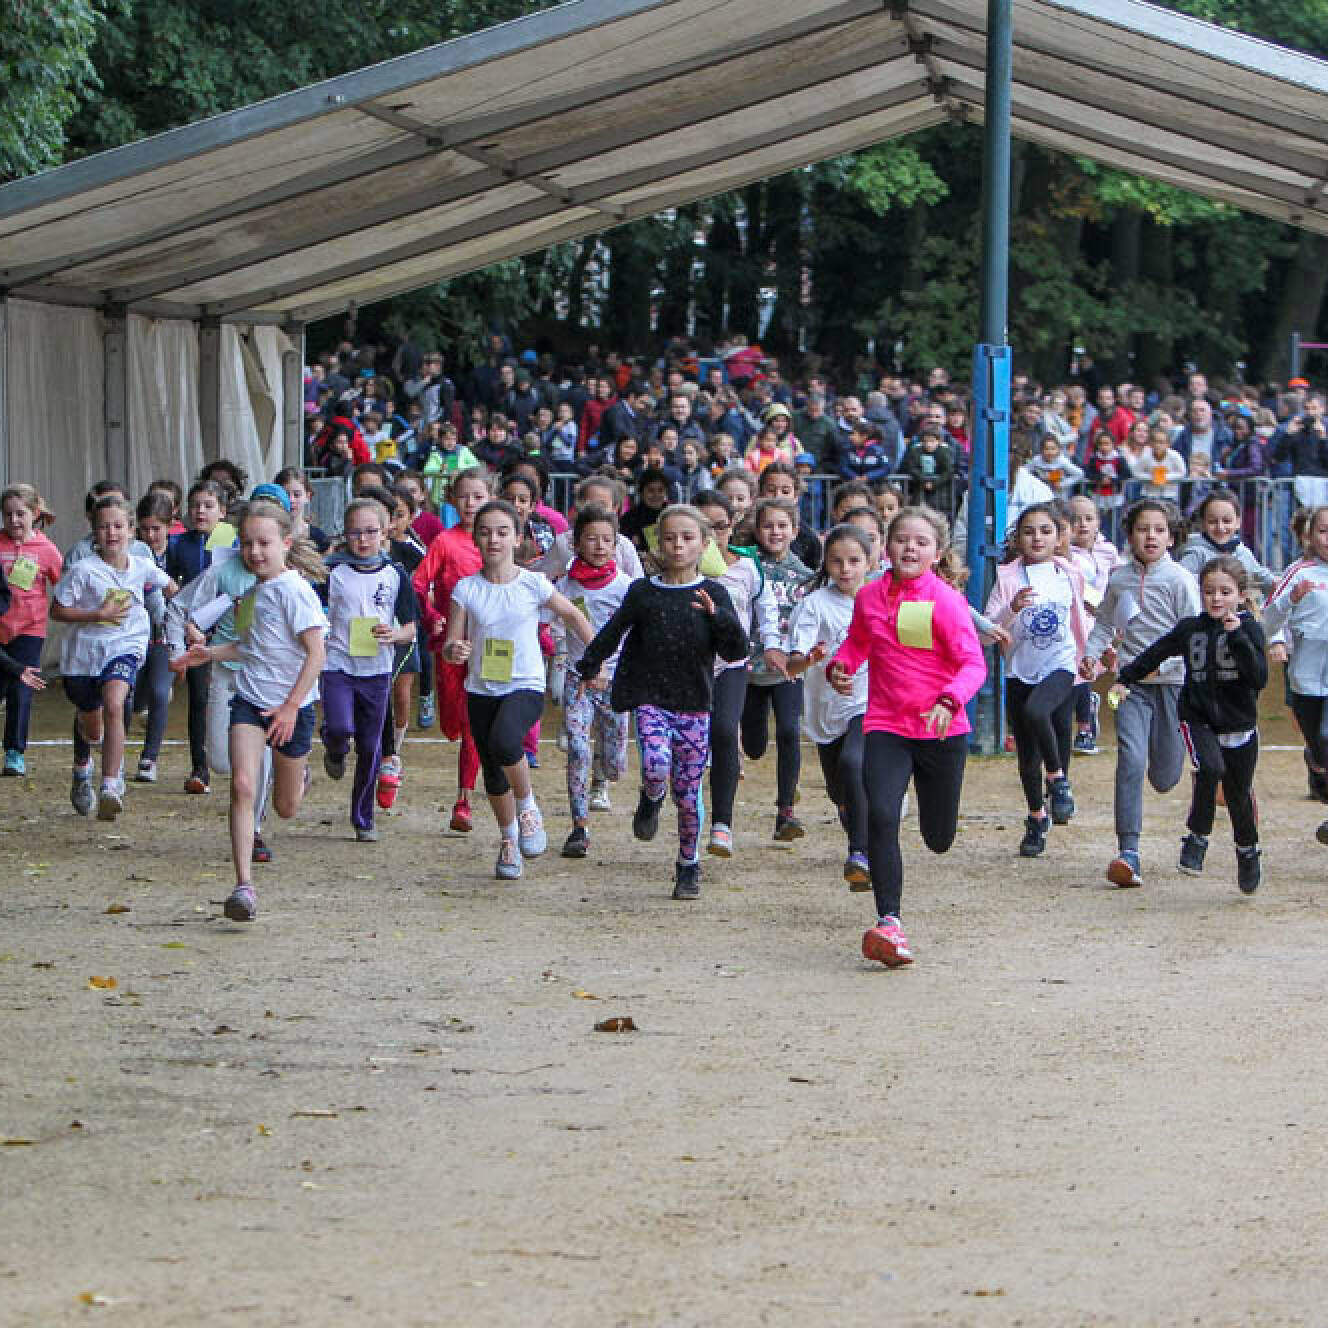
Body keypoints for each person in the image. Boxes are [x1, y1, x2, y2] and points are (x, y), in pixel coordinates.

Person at [829, 507, 986, 967]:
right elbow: (859, 641)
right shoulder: (870, 596)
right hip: (886, 724)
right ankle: (889, 922)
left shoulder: (947, 602)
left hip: (941, 730)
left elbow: (973, 664)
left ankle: (933, 834)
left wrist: (949, 701)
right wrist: (842, 665)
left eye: (921, 542)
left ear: (937, 553)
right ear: (886, 547)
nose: (910, 548)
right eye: (902, 539)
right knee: (880, 815)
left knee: (938, 838)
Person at [574, 504, 748, 899]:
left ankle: (688, 864)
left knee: (688, 794)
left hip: (695, 704)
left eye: (687, 538)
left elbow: (737, 649)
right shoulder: (644, 592)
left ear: (704, 544)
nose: (678, 545)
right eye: (669, 538)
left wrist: (718, 617)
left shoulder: (713, 593)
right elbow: (612, 631)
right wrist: (589, 666)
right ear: (658, 543)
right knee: (654, 765)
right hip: (651, 698)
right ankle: (651, 797)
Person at [171, 499, 328, 921]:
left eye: (264, 543)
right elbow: (250, 647)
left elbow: (317, 654)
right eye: (246, 543)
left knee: (286, 808)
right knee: (242, 785)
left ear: (285, 544)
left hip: (291, 709)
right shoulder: (253, 593)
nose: (254, 552)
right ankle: (244, 887)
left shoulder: (297, 592)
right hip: (249, 700)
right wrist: (208, 654)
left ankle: (300, 777)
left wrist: (291, 708)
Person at [442, 499, 592, 881]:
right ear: (476, 539)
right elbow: (451, 643)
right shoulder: (466, 589)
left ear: (517, 538)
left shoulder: (533, 584)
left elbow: (573, 615)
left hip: (524, 685)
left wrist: (597, 659)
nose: (493, 539)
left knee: (506, 742)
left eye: (502, 532)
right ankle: (509, 841)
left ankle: (528, 808)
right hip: (481, 689)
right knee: (492, 772)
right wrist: (455, 650)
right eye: (485, 532)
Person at [1119, 554, 1266, 893]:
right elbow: (1156, 652)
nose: (1217, 599)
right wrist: (1126, 677)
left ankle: (1247, 851)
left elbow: (1258, 678)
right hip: (1198, 718)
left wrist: (1238, 638)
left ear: (1241, 595)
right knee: (1210, 768)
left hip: (1239, 724)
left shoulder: (1250, 630)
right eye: (1209, 592)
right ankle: (1197, 837)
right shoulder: (1191, 629)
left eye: (1225, 592)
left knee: (1238, 796)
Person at [1080, 500, 1200, 889]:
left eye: (1159, 530)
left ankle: (1179, 769)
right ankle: (1128, 851)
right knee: (1130, 759)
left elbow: (1194, 636)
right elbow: (1104, 623)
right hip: (1128, 686)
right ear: (1129, 535)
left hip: (1174, 687)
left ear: (1171, 537)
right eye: (1143, 529)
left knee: (1165, 777)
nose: (1151, 536)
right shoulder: (1119, 579)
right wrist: (1091, 654)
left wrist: (1163, 667)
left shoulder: (1181, 580)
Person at [51, 495, 175, 821]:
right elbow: (57, 610)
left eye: (118, 526)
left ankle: (109, 785)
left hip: (125, 646)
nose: (112, 533)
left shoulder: (143, 566)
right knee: (92, 729)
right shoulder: (83, 570)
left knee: (116, 703)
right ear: (94, 531)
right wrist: (96, 615)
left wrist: (187, 621)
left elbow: (172, 589)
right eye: (104, 527)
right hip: (84, 656)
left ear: (131, 531)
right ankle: (82, 769)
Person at [984, 505, 1092, 857]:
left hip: (1061, 666)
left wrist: (1098, 651)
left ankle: (1058, 779)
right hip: (1020, 671)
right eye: (1029, 531)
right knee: (1028, 756)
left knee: (1040, 714)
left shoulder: (1070, 573)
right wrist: (1012, 608)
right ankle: (1036, 816)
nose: (1037, 538)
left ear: (1058, 537)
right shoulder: (1007, 578)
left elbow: (1087, 614)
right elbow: (987, 630)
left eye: (1045, 531)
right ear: (1018, 539)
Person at [319, 497, 418, 842]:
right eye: (355, 532)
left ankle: (363, 817)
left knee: (371, 747)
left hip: (377, 669)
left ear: (385, 531)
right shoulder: (331, 571)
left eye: (370, 532)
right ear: (344, 533)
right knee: (341, 726)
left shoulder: (395, 574)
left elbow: (411, 626)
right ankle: (334, 746)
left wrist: (394, 635)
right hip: (337, 664)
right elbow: (315, 612)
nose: (362, 539)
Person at [692, 490, 780, 860]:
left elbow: (766, 608)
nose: (713, 536)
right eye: (703, 528)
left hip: (731, 664)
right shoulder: (677, 569)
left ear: (733, 526)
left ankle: (722, 824)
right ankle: (679, 806)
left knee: (726, 731)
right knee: (689, 743)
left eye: (720, 527)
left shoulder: (747, 566)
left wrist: (772, 645)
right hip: (687, 667)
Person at [787, 525, 873, 888]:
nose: (846, 569)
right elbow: (792, 665)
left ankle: (860, 852)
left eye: (854, 560)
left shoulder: (882, 600)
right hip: (826, 708)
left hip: (869, 701)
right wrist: (809, 659)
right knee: (840, 789)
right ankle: (853, 817)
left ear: (869, 562)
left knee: (855, 763)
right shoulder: (814, 605)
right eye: (837, 561)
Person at [413, 470, 491, 832]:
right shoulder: (445, 541)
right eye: (464, 496)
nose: (471, 504)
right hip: (450, 643)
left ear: (490, 498)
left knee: (473, 724)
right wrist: (431, 616)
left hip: (488, 644)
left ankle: (464, 800)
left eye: (478, 496)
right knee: (451, 723)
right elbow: (418, 584)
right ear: (451, 500)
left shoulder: (499, 541)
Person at [555, 506, 634, 858]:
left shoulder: (627, 587)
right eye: (591, 538)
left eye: (607, 540)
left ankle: (606, 771)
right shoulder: (564, 586)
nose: (600, 546)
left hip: (617, 681)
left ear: (617, 545)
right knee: (577, 747)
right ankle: (579, 827)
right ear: (575, 543)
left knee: (615, 765)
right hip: (579, 678)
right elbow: (546, 622)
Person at [742, 498, 812, 840]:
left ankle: (786, 811)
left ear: (794, 531)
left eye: (782, 526)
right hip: (750, 668)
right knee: (754, 746)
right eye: (768, 525)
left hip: (789, 668)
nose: (775, 532)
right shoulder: (746, 568)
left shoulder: (807, 577)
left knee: (788, 730)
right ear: (757, 531)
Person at [1265, 505, 1328, 844]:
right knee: (1318, 745)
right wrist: (1290, 599)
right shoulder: (1298, 573)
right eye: (1323, 531)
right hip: (1305, 678)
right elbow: (1267, 621)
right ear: (1310, 536)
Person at [167, 479, 231, 795]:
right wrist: (186, 629)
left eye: (208, 506)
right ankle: (199, 767)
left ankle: (240, 756)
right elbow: (173, 586)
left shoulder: (234, 542)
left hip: (226, 631)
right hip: (193, 630)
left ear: (223, 511)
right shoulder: (180, 544)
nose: (200, 511)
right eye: (195, 506)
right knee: (198, 698)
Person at [0, 484, 61, 774]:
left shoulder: (46, 550)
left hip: (30, 630)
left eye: (20, 514)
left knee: (22, 688)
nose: (13, 520)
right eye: (7, 515)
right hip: (0, 628)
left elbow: (65, 585)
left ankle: (14, 751)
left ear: (35, 513)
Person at [1065, 494, 1119, 754]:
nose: (1082, 524)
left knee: (1087, 671)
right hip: (1075, 617)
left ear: (1098, 522)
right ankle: (1084, 724)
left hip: (1102, 619)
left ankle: (1086, 721)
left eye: (1089, 518)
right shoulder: (1065, 555)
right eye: (1075, 519)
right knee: (1077, 670)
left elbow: (1119, 580)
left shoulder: (1108, 551)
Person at [131, 491, 176, 783]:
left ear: (170, 525)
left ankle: (149, 757)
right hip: (134, 633)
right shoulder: (134, 552)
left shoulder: (179, 552)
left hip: (164, 634)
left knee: (160, 692)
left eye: (156, 529)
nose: (150, 535)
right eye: (144, 529)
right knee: (131, 698)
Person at [1176, 488, 1275, 598]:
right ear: (1203, 523)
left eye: (1227, 521)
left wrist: (1277, 584)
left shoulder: (1241, 551)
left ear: (1238, 522)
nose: (1220, 527)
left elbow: (1261, 576)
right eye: (1212, 522)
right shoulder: (1196, 554)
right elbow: (1180, 581)